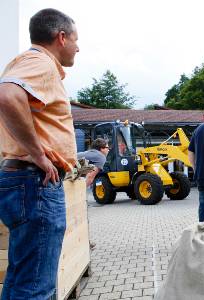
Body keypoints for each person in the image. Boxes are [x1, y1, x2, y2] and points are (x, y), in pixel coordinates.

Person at [0, 8, 79, 299]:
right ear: (61, 37)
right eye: (75, 39)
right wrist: (39, 155)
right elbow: (7, 95)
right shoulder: (40, 62)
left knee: (22, 280)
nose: (77, 47)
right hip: (36, 182)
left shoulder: (25, 62)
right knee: (36, 288)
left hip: (25, 181)